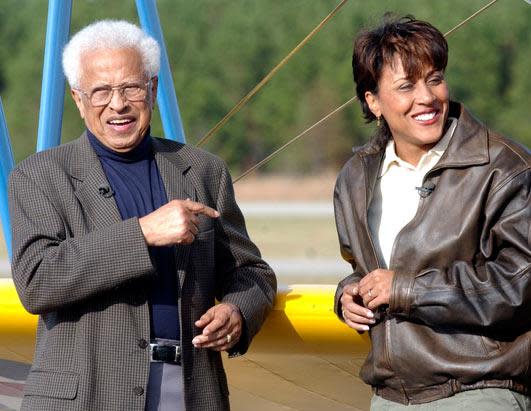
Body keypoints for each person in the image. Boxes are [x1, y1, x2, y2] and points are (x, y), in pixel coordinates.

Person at [9, 20, 276, 411]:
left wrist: (237, 311)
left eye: (131, 87)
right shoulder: (38, 176)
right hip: (85, 397)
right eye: (100, 91)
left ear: (151, 89)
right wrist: (143, 233)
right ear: (78, 99)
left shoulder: (203, 170)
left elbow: (252, 272)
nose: (117, 104)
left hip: (188, 392)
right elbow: (37, 281)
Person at [334, 16, 530, 410]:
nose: (426, 97)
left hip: (479, 388)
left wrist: (406, 289)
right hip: (389, 396)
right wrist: (349, 294)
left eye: (434, 79)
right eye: (406, 86)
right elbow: (369, 267)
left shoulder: (504, 168)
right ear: (372, 102)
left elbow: (520, 284)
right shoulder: (354, 178)